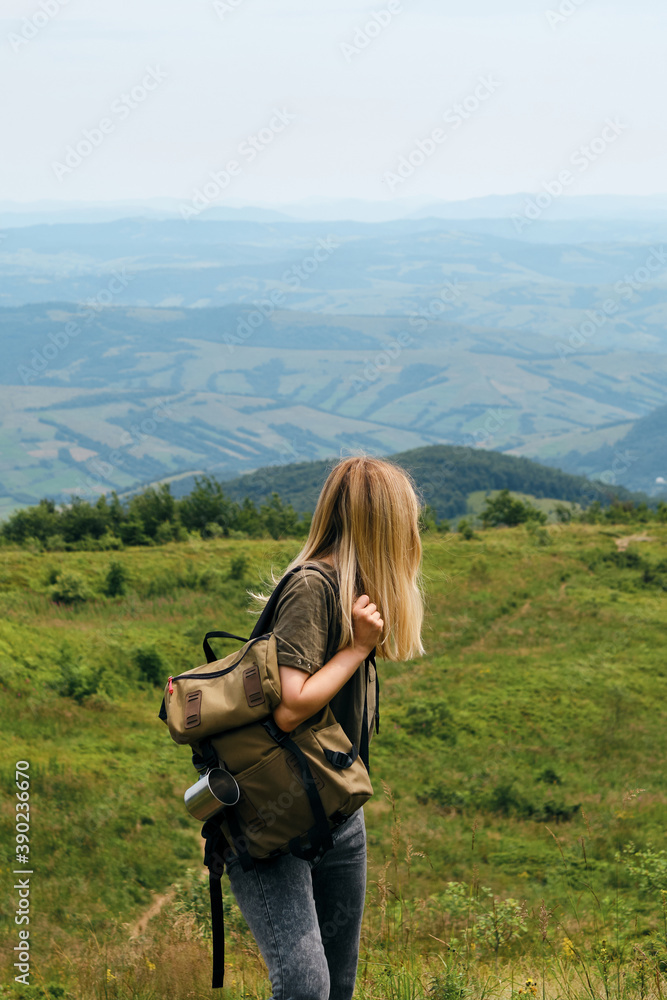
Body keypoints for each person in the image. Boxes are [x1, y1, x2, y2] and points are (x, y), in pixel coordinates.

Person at [224, 454, 425, 1000]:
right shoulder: (313, 587)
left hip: (332, 807)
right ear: (382, 523)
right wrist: (359, 648)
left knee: (337, 984)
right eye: (406, 521)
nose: (414, 534)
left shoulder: (350, 589)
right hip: (276, 813)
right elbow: (292, 706)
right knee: (305, 985)